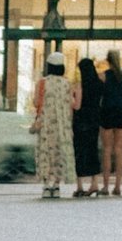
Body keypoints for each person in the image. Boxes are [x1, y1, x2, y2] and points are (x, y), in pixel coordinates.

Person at [32, 50, 77, 199]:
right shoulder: (67, 83)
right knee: (59, 153)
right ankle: (57, 185)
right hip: (63, 125)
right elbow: (72, 103)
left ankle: (46, 185)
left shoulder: (42, 82)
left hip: (46, 124)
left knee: (46, 153)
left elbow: (36, 102)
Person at [99, 49, 122, 196]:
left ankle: (105, 185)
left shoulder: (103, 76)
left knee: (107, 150)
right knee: (119, 150)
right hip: (121, 112)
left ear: (107, 60)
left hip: (107, 111)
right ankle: (118, 186)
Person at [71, 56, 103, 197]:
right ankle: (95, 183)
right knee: (92, 150)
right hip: (94, 120)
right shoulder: (99, 84)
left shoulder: (80, 85)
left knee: (79, 152)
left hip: (81, 120)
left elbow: (77, 105)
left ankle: (79, 186)